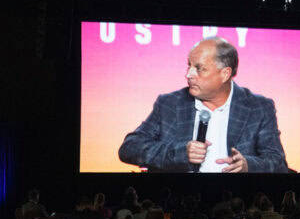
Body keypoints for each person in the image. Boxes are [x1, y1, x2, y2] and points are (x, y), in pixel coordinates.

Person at [118, 37, 288, 173]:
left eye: (199, 68)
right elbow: (129, 148)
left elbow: (277, 162)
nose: (188, 74)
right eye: (189, 66)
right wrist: (179, 153)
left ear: (225, 74)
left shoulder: (259, 107)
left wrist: (247, 166)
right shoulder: (170, 103)